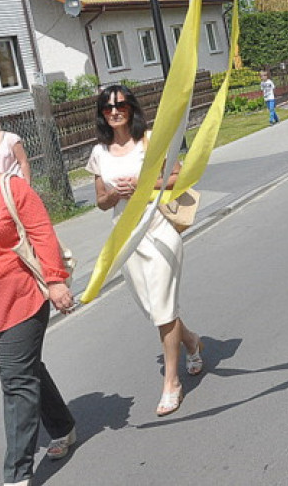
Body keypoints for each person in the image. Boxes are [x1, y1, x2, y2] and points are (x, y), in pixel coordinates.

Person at [0, 117, 76, 486]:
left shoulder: (12, 188)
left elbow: (42, 235)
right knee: (26, 372)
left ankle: (16, 475)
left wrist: (56, 281)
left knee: (14, 381)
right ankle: (62, 426)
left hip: (21, 299)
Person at [87, 86, 204, 416]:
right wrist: (114, 195)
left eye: (121, 105)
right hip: (126, 238)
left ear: (131, 108)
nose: (115, 112)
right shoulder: (99, 152)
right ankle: (192, 340)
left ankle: (172, 383)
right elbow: (99, 202)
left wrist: (143, 183)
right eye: (108, 108)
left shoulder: (150, 139)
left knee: (164, 307)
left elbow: (178, 178)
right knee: (155, 308)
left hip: (159, 231)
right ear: (101, 114)